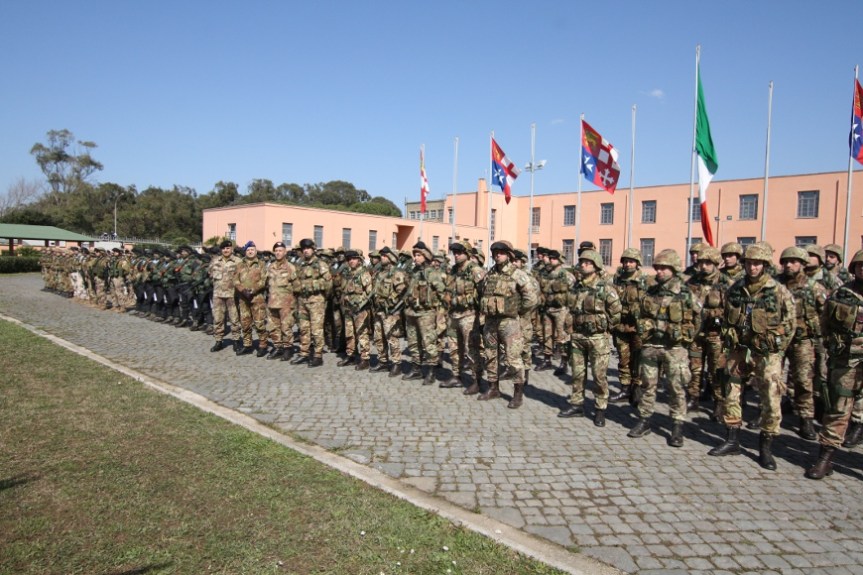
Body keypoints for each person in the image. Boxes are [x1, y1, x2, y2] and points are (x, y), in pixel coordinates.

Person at [708, 244, 796, 470]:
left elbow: (790, 322)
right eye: (749, 263)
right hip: (739, 349)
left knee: (770, 396)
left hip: (766, 353)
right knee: (731, 392)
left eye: (757, 263)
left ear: (765, 265)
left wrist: (776, 346)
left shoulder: (777, 290)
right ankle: (732, 439)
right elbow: (727, 315)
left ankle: (765, 447)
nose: (752, 267)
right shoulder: (736, 288)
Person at [630, 249, 700, 447]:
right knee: (647, 384)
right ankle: (644, 419)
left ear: (674, 269)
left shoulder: (685, 294)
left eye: (664, 268)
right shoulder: (650, 292)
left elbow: (699, 317)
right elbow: (640, 313)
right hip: (651, 346)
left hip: (674, 348)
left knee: (676, 387)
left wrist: (687, 336)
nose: (659, 271)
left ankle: (677, 425)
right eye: (657, 268)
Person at [806, 249, 863, 479]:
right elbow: (824, 324)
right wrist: (832, 346)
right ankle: (825, 458)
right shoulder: (842, 294)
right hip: (846, 361)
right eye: (860, 265)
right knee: (837, 408)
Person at [558, 249, 621, 425]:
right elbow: (570, 309)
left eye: (588, 263)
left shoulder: (605, 288)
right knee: (577, 373)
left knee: (599, 375)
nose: (584, 265)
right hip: (578, 337)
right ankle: (577, 404)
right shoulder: (576, 287)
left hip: (597, 338)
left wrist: (605, 328)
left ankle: (600, 408)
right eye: (582, 262)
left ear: (596, 266)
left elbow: (616, 312)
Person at [478, 241, 540, 408]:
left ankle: (517, 394)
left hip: (509, 323)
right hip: (491, 322)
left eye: (502, 252)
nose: (498, 255)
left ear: (509, 255)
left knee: (513, 358)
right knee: (490, 356)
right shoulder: (489, 274)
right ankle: (493, 388)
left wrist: (518, 311)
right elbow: (481, 294)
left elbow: (532, 298)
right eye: (495, 252)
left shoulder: (517, 274)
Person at [776, 246, 827, 440]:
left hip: (802, 341)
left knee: (804, 380)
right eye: (786, 261)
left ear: (803, 264)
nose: (789, 265)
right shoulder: (775, 285)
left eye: (794, 261)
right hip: (778, 339)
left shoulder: (813, 287)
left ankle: (805, 419)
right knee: (772, 378)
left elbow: (825, 314)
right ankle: (769, 414)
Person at [685, 246, 725, 413]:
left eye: (708, 263)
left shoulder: (724, 283)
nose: (704, 266)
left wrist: (711, 313)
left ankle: (718, 402)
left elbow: (733, 310)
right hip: (696, 334)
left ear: (715, 263)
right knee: (695, 368)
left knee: (716, 370)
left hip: (716, 335)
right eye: (701, 262)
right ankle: (693, 398)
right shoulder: (692, 282)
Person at [441, 239, 485, 391]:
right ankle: (456, 376)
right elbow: (447, 289)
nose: (457, 255)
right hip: (454, 315)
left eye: (460, 253)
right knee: (453, 348)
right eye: (455, 253)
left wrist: (462, 299)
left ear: (467, 254)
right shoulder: (453, 270)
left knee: (470, 349)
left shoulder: (475, 271)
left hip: (469, 315)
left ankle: (476, 380)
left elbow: (483, 294)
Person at [403, 241, 446, 385]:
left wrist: (441, 315)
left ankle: (432, 372)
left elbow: (442, 293)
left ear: (426, 256)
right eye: (415, 255)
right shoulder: (414, 273)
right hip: (411, 312)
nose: (415, 258)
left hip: (426, 313)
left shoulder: (433, 274)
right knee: (413, 343)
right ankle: (416, 369)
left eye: (419, 255)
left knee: (429, 343)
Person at [610, 248, 648, 404]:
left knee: (638, 359)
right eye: (625, 261)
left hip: (638, 327)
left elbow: (649, 304)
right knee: (623, 358)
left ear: (637, 263)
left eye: (631, 261)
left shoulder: (644, 281)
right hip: (620, 326)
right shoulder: (617, 280)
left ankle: (637, 388)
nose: (627, 264)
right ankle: (625, 388)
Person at [292, 238, 333, 367]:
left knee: (316, 330)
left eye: (308, 248)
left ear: (313, 249)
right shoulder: (300, 264)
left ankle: (317, 355)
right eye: (304, 249)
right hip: (302, 301)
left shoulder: (321, 264)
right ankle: (304, 353)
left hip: (316, 302)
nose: (306, 251)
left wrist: (314, 288)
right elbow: (295, 280)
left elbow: (329, 283)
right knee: (303, 329)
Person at [371, 246, 408, 377]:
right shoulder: (379, 273)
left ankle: (396, 364)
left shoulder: (397, 274)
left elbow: (402, 293)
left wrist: (394, 306)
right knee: (378, 338)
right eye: (382, 256)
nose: (382, 258)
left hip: (391, 312)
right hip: (379, 311)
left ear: (391, 258)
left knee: (392, 338)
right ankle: (382, 362)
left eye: (385, 256)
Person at [339, 249, 373, 370]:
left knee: (362, 334)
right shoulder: (347, 273)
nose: (351, 261)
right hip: (348, 309)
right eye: (349, 259)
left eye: (353, 259)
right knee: (349, 333)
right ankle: (351, 355)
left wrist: (363, 305)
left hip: (360, 309)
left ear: (359, 259)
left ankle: (365, 358)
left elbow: (370, 293)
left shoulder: (364, 274)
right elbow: (343, 290)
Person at [265, 241, 299, 360]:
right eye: (276, 251)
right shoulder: (270, 267)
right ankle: (278, 347)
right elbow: (266, 284)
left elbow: (297, 286)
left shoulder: (290, 267)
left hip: (286, 303)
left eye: (280, 250)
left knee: (286, 327)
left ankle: (288, 349)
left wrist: (294, 302)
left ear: (285, 252)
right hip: (272, 302)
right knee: (274, 327)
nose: (278, 253)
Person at [233, 241, 268, 356]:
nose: (250, 251)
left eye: (252, 249)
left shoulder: (261, 264)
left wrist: (253, 290)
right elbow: (235, 280)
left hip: (257, 298)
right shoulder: (239, 265)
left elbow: (264, 280)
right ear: (245, 252)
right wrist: (242, 290)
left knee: (259, 324)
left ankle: (263, 345)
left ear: (256, 251)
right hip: (243, 298)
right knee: (245, 323)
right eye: (248, 250)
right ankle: (247, 345)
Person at [209, 239, 242, 352]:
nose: (226, 250)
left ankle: (236, 341)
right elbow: (210, 274)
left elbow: (242, 277)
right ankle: (218, 341)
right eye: (223, 248)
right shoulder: (215, 261)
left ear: (232, 249)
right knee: (218, 319)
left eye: (228, 248)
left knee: (234, 319)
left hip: (232, 295)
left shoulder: (238, 261)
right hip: (218, 295)